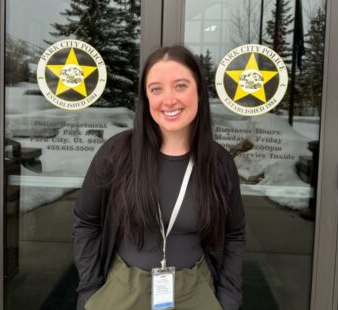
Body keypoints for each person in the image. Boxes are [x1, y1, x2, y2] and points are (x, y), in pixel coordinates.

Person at [73, 45, 245, 310]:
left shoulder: (218, 162)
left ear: (199, 91)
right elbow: (87, 222)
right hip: (122, 292)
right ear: (146, 98)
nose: (169, 100)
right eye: (156, 89)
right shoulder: (117, 153)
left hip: (195, 292)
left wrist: (228, 299)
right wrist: (91, 291)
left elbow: (234, 234)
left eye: (180, 86)